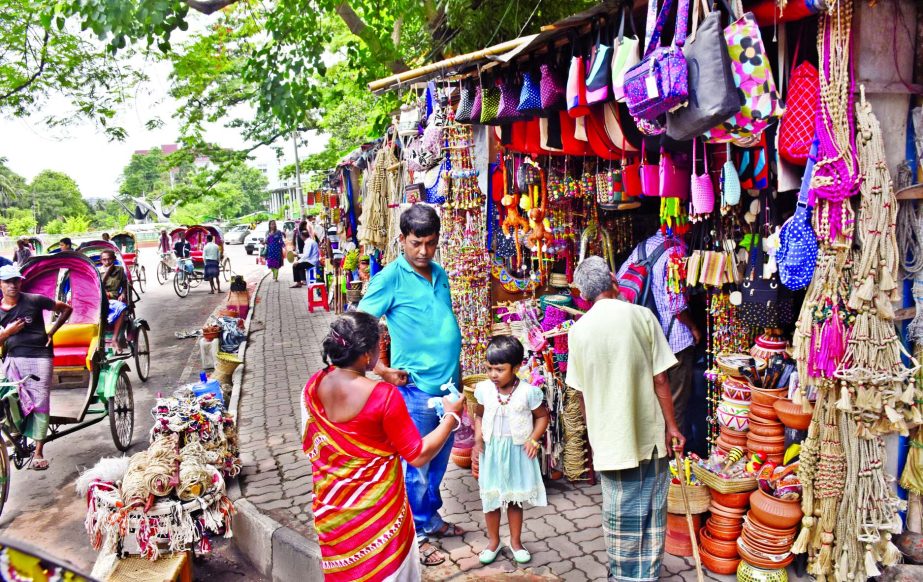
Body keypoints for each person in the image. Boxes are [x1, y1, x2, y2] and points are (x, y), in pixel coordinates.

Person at [302, 312, 465, 580]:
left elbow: (315, 441)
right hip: (377, 516)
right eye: (380, 345)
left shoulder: (314, 384)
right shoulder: (383, 397)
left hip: (332, 511)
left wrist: (385, 374)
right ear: (367, 354)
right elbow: (418, 454)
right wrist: (451, 417)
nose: (382, 350)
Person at [566, 256, 685, 581]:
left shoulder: (578, 332)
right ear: (613, 282)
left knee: (619, 512)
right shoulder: (642, 316)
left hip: (609, 439)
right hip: (649, 434)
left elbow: (580, 393)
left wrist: (593, 437)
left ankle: (623, 574)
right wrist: (672, 426)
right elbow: (661, 379)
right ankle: (647, 572)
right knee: (651, 506)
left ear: (584, 294)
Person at [358, 204, 464, 565]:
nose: (423, 251)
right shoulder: (389, 278)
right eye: (416, 243)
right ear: (401, 239)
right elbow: (357, 325)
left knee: (438, 464)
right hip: (416, 392)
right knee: (416, 468)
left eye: (431, 243)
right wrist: (382, 370)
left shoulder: (439, 272)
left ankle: (429, 520)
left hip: (449, 389)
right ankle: (414, 535)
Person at [472, 335, 548, 565]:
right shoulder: (484, 389)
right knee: (492, 499)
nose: (493, 375)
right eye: (489, 368)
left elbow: (543, 417)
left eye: (499, 369)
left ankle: (516, 542)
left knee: (514, 499)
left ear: (515, 368)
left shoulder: (527, 392)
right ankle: (493, 542)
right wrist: (478, 439)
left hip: (516, 451)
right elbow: (478, 413)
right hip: (492, 451)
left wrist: (534, 439)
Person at [616, 230, 702, 433]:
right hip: (675, 341)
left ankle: (660, 456)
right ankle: (674, 458)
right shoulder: (677, 252)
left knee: (653, 404)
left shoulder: (642, 247)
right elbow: (677, 306)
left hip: (644, 339)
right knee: (676, 405)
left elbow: (619, 284)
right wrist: (695, 327)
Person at [0, 264, 73, 470]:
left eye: (15, 281)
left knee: (41, 402)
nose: (12, 285)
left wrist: (52, 331)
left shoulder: (34, 300)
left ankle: (39, 451)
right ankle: (18, 434)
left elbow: (66, 308)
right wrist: (8, 333)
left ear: (20, 281)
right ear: (0, 285)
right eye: (7, 282)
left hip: (40, 357)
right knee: (9, 400)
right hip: (13, 359)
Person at [99, 250, 129, 350]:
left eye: (109, 259)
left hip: (114, 299)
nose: (107, 262)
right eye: (104, 260)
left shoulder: (119, 270)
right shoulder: (98, 271)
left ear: (114, 259)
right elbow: (98, 287)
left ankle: (114, 339)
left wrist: (123, 293)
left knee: (122, 307)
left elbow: (125, 285)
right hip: (101, 299)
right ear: (101, 261)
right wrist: (107, 273)